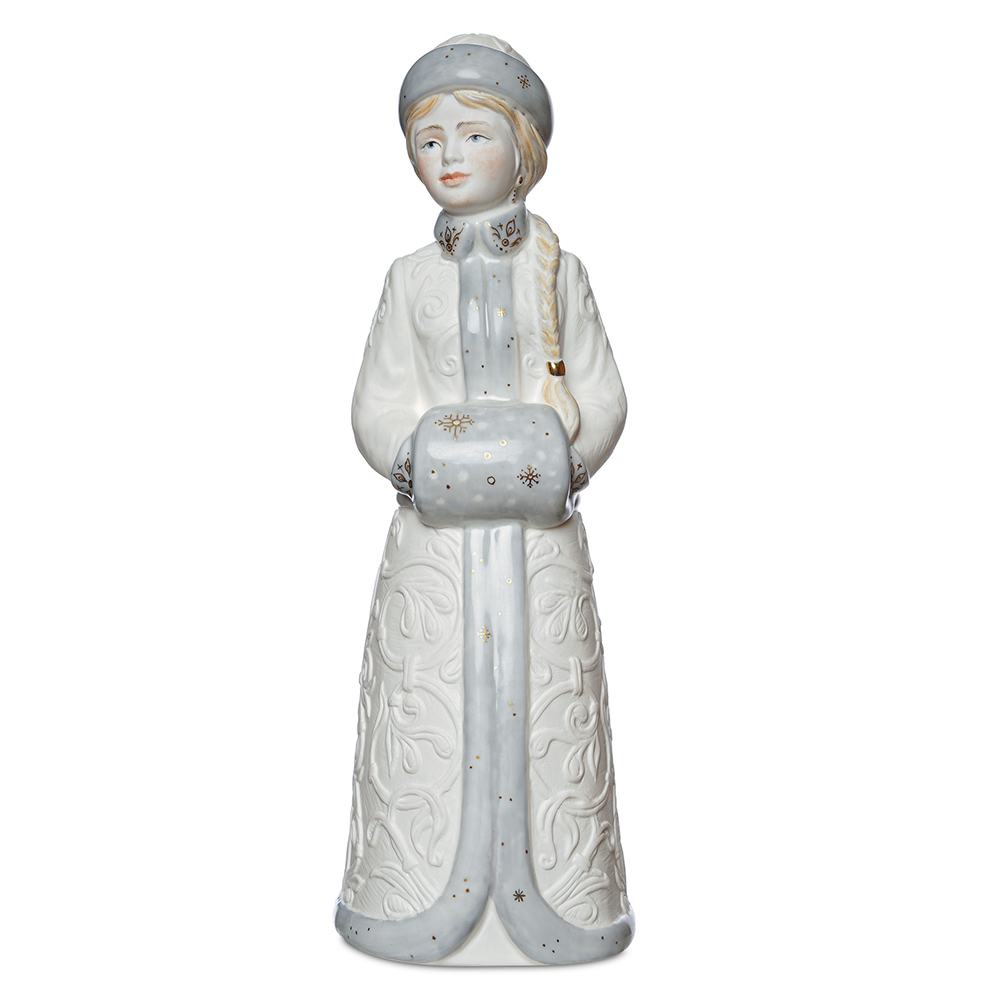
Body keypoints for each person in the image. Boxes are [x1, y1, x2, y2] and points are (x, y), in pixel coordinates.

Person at [335, 34, 634, 965]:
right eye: (429, 142)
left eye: (474, 135)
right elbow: (376, 399)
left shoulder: (562, 272)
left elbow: (604, 394)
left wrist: (566, 462)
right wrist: (414, 457)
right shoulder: (408, 279)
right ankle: (410, 895)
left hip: (539, 547)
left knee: (548, 711)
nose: (450, 157)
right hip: (434, 548)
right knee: (431, 710)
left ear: (523, 148)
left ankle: (559, 905)